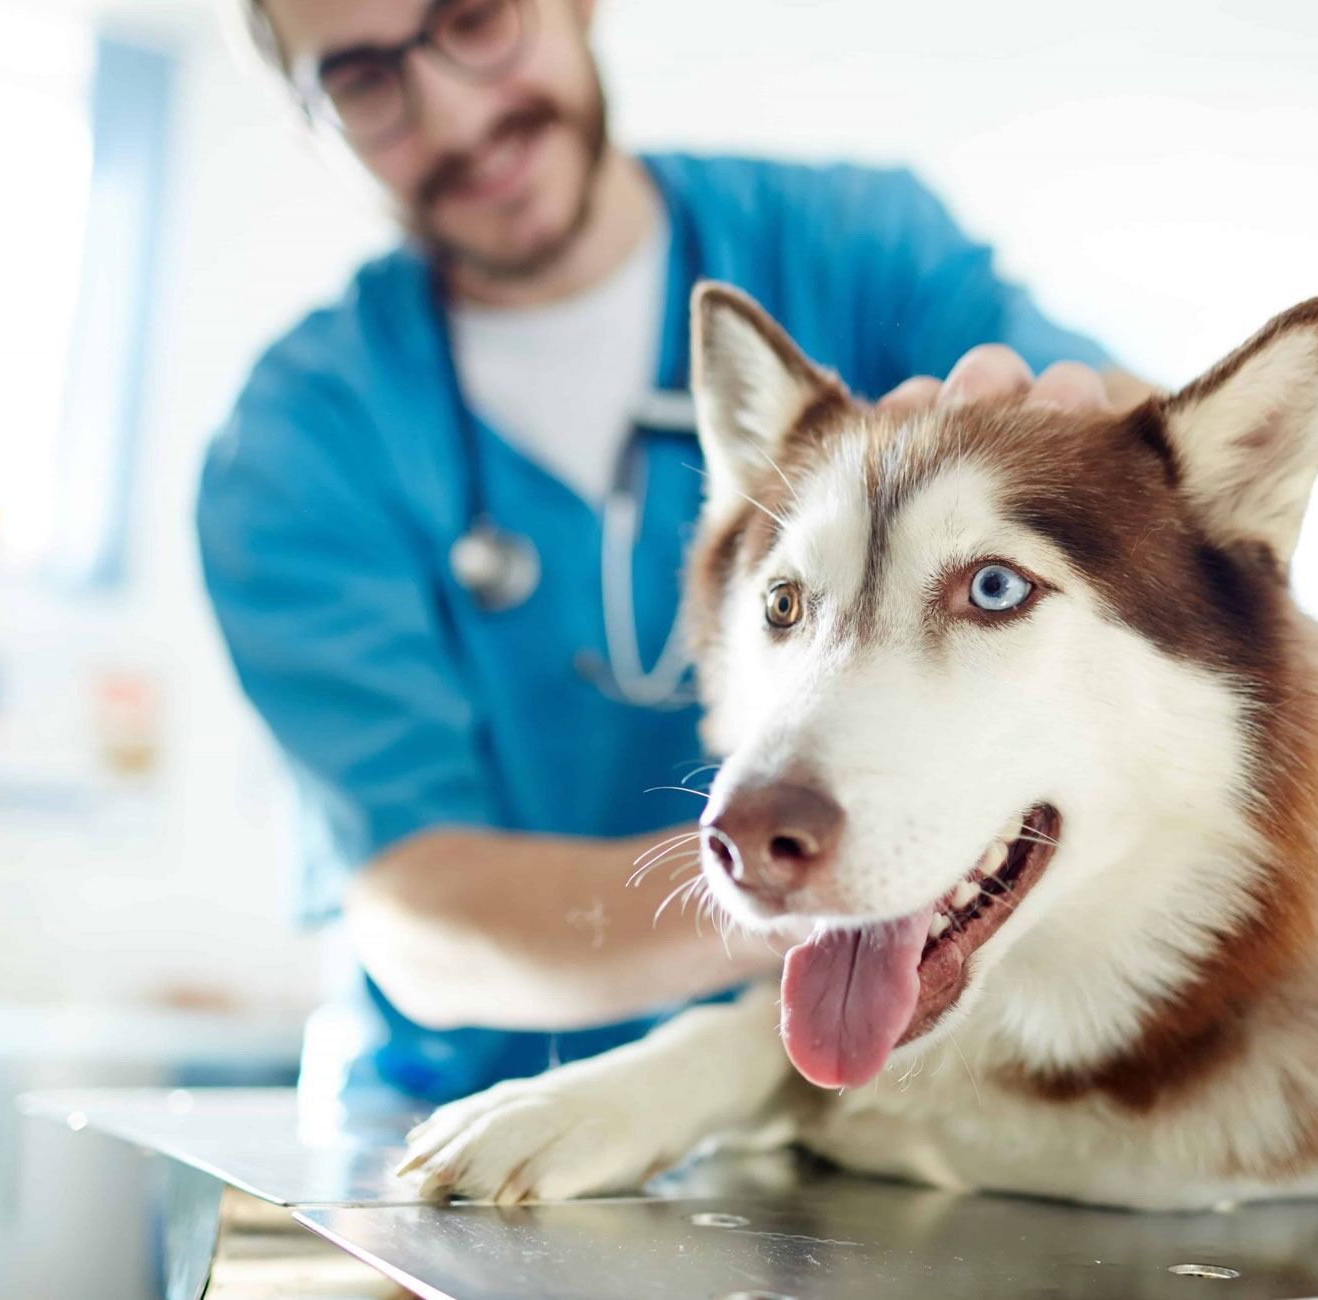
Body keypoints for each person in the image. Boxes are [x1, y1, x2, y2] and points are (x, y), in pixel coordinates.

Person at [197, 0, 1158, 1118]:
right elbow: (425, 922)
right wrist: (827, 863)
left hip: (852, 1108)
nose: (452, 115)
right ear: (314, 125)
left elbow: (1160, 458)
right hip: (460, 1112)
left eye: (473, 19)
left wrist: (1111, 457)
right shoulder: (305, 439)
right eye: (363, 81)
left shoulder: (853, 248)